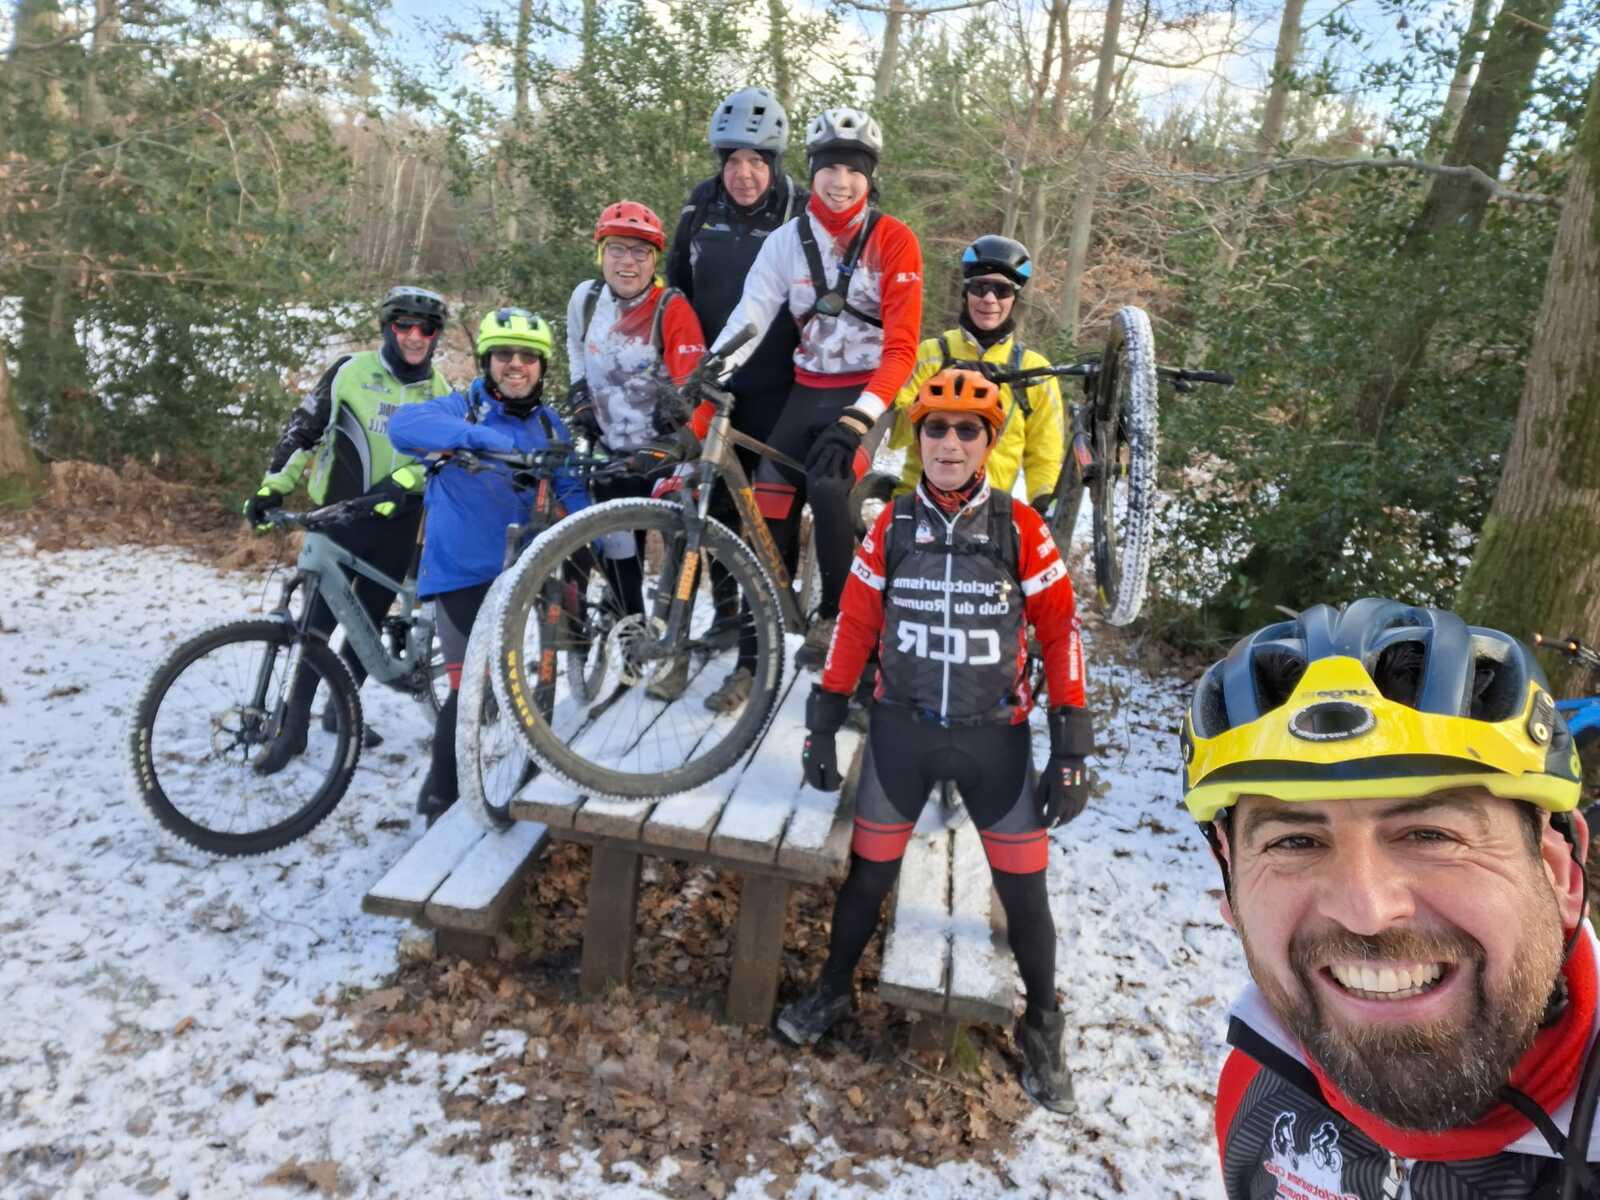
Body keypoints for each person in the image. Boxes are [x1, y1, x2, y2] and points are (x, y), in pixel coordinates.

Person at [1182, 599, 1600, 1198]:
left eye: (1430, 835)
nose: (1366, 911)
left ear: (1560, 872)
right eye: (1294, 841)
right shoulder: (1258, 1084)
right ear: (1231, 888)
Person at [775, 368, 1093, 1117]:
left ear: (988, 442)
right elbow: (855, 625)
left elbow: (1060, 633)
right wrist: (823, 720)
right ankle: (832, 992)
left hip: (996, 744)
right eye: (936, 428)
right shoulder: (891, 524)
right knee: (866, 880)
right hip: (902, 733)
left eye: (967, 430)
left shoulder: (1021, 528)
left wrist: (1072, 747)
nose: (950, 443)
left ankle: (1044, 1029)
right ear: (918, 439)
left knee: (1026, 896)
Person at [705, 105, 924, 671]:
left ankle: (835, 617)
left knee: (829, 486)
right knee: (768, 498)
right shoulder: (786, 241)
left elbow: (903, 348)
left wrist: (860, 418)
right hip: (807, 388)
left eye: (854, 170)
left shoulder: (893, 239)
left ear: (870, 177)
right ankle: (755, 649)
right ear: (812, 171)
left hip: (867, 390)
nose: (840, 181)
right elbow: (750, 316)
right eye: (829, 167)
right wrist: (709, 371)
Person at [243, 285, 454, 772]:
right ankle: (294, 726)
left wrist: (404, 484)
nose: (415, 336)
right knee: (318, 623)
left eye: (427, 329)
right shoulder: (350, 371)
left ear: (436, 336)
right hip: (338, 517)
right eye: (404, 325)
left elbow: (444, 460)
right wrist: (273, 487)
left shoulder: (442, 394)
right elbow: (303, 430)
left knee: (367, 625)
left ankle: (341, 710)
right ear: (387, 327)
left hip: (398, 524)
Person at [389, 308, 587, 822]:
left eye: (528, 356)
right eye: (504, 355)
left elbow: (570, 488)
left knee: (515, 679)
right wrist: (488, 442)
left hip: (523, 574)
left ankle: (518, 775)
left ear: (542, 366)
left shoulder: (550, 423)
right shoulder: (462, 410)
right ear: (486, 361)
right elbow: (403, 426)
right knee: (468, 691)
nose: (515, 364)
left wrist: (597, 533)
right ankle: (439, 802)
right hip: (461, 573)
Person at [666, 87, 808, 714]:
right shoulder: (700, 206)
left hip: (783, 389)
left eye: (756, 161)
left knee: (769, 523)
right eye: (733, 161)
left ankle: (755, 658)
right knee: (710, 509)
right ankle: (726, 618)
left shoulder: (800, 208)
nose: (744, 174)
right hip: (717, 387)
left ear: (774, 163)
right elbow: (677, 287)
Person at [565, 199, 707, 701]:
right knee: (619, 550)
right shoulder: (586, 300)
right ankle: (632, 639)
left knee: (676, 554)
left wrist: (676, 426)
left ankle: (675, 650)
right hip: (610, 448)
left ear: (655, 260)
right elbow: (576, 350)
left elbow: (694, 387)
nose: (628, 262)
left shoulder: (672, 309)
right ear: (601, 253)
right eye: (618, 249)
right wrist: (579, 396)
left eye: (641, 252)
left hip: (664, 454)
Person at [887, 235, 1063, 512]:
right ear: (966, 293)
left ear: (1014, 299)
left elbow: (1045, 455)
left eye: (1002, 290)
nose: (989, 299)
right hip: (917, 505)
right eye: (980, 287)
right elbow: (897, 435)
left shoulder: (1033, 371)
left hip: (990, 513)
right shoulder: (930, 354)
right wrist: (943, 387)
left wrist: (1043, 502)